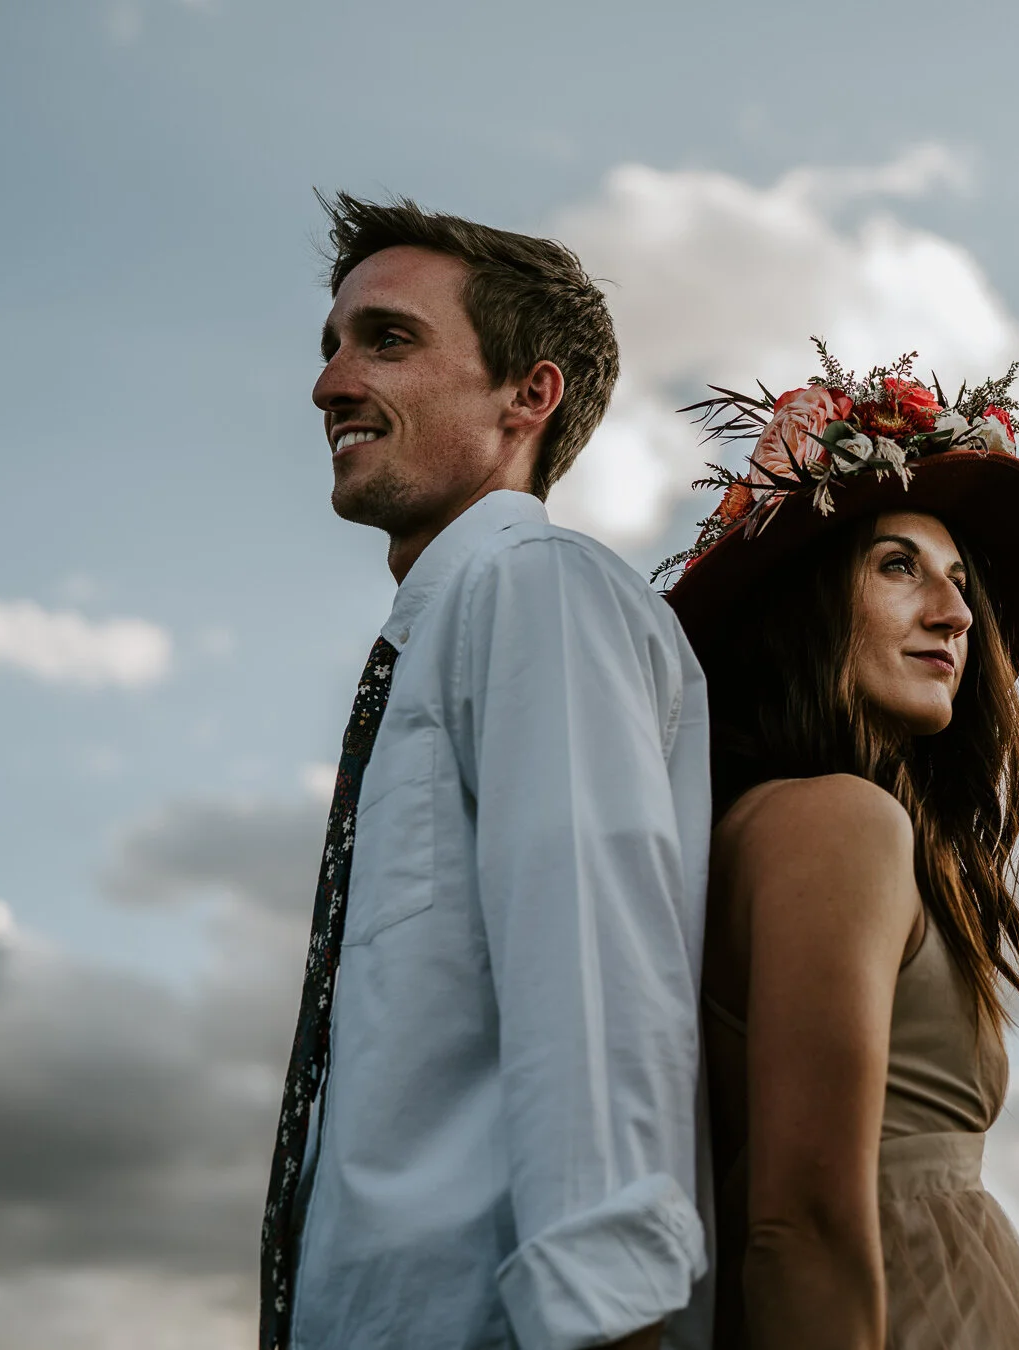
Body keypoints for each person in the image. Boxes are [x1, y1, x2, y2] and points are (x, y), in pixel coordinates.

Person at [259, 193, 712, 1350]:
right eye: (331, 346)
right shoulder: (444, 631)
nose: (330, 384)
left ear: (529, 394)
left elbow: (594, 979)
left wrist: (603, 1312)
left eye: (387, 340)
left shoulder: (534, 591)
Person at [659, 352, 1019, 1350]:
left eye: (957, 582)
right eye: (896, 566)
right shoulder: (835, 821)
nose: (952, 613)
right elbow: (798, 1224)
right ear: (805, 603)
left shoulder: (817, 828)